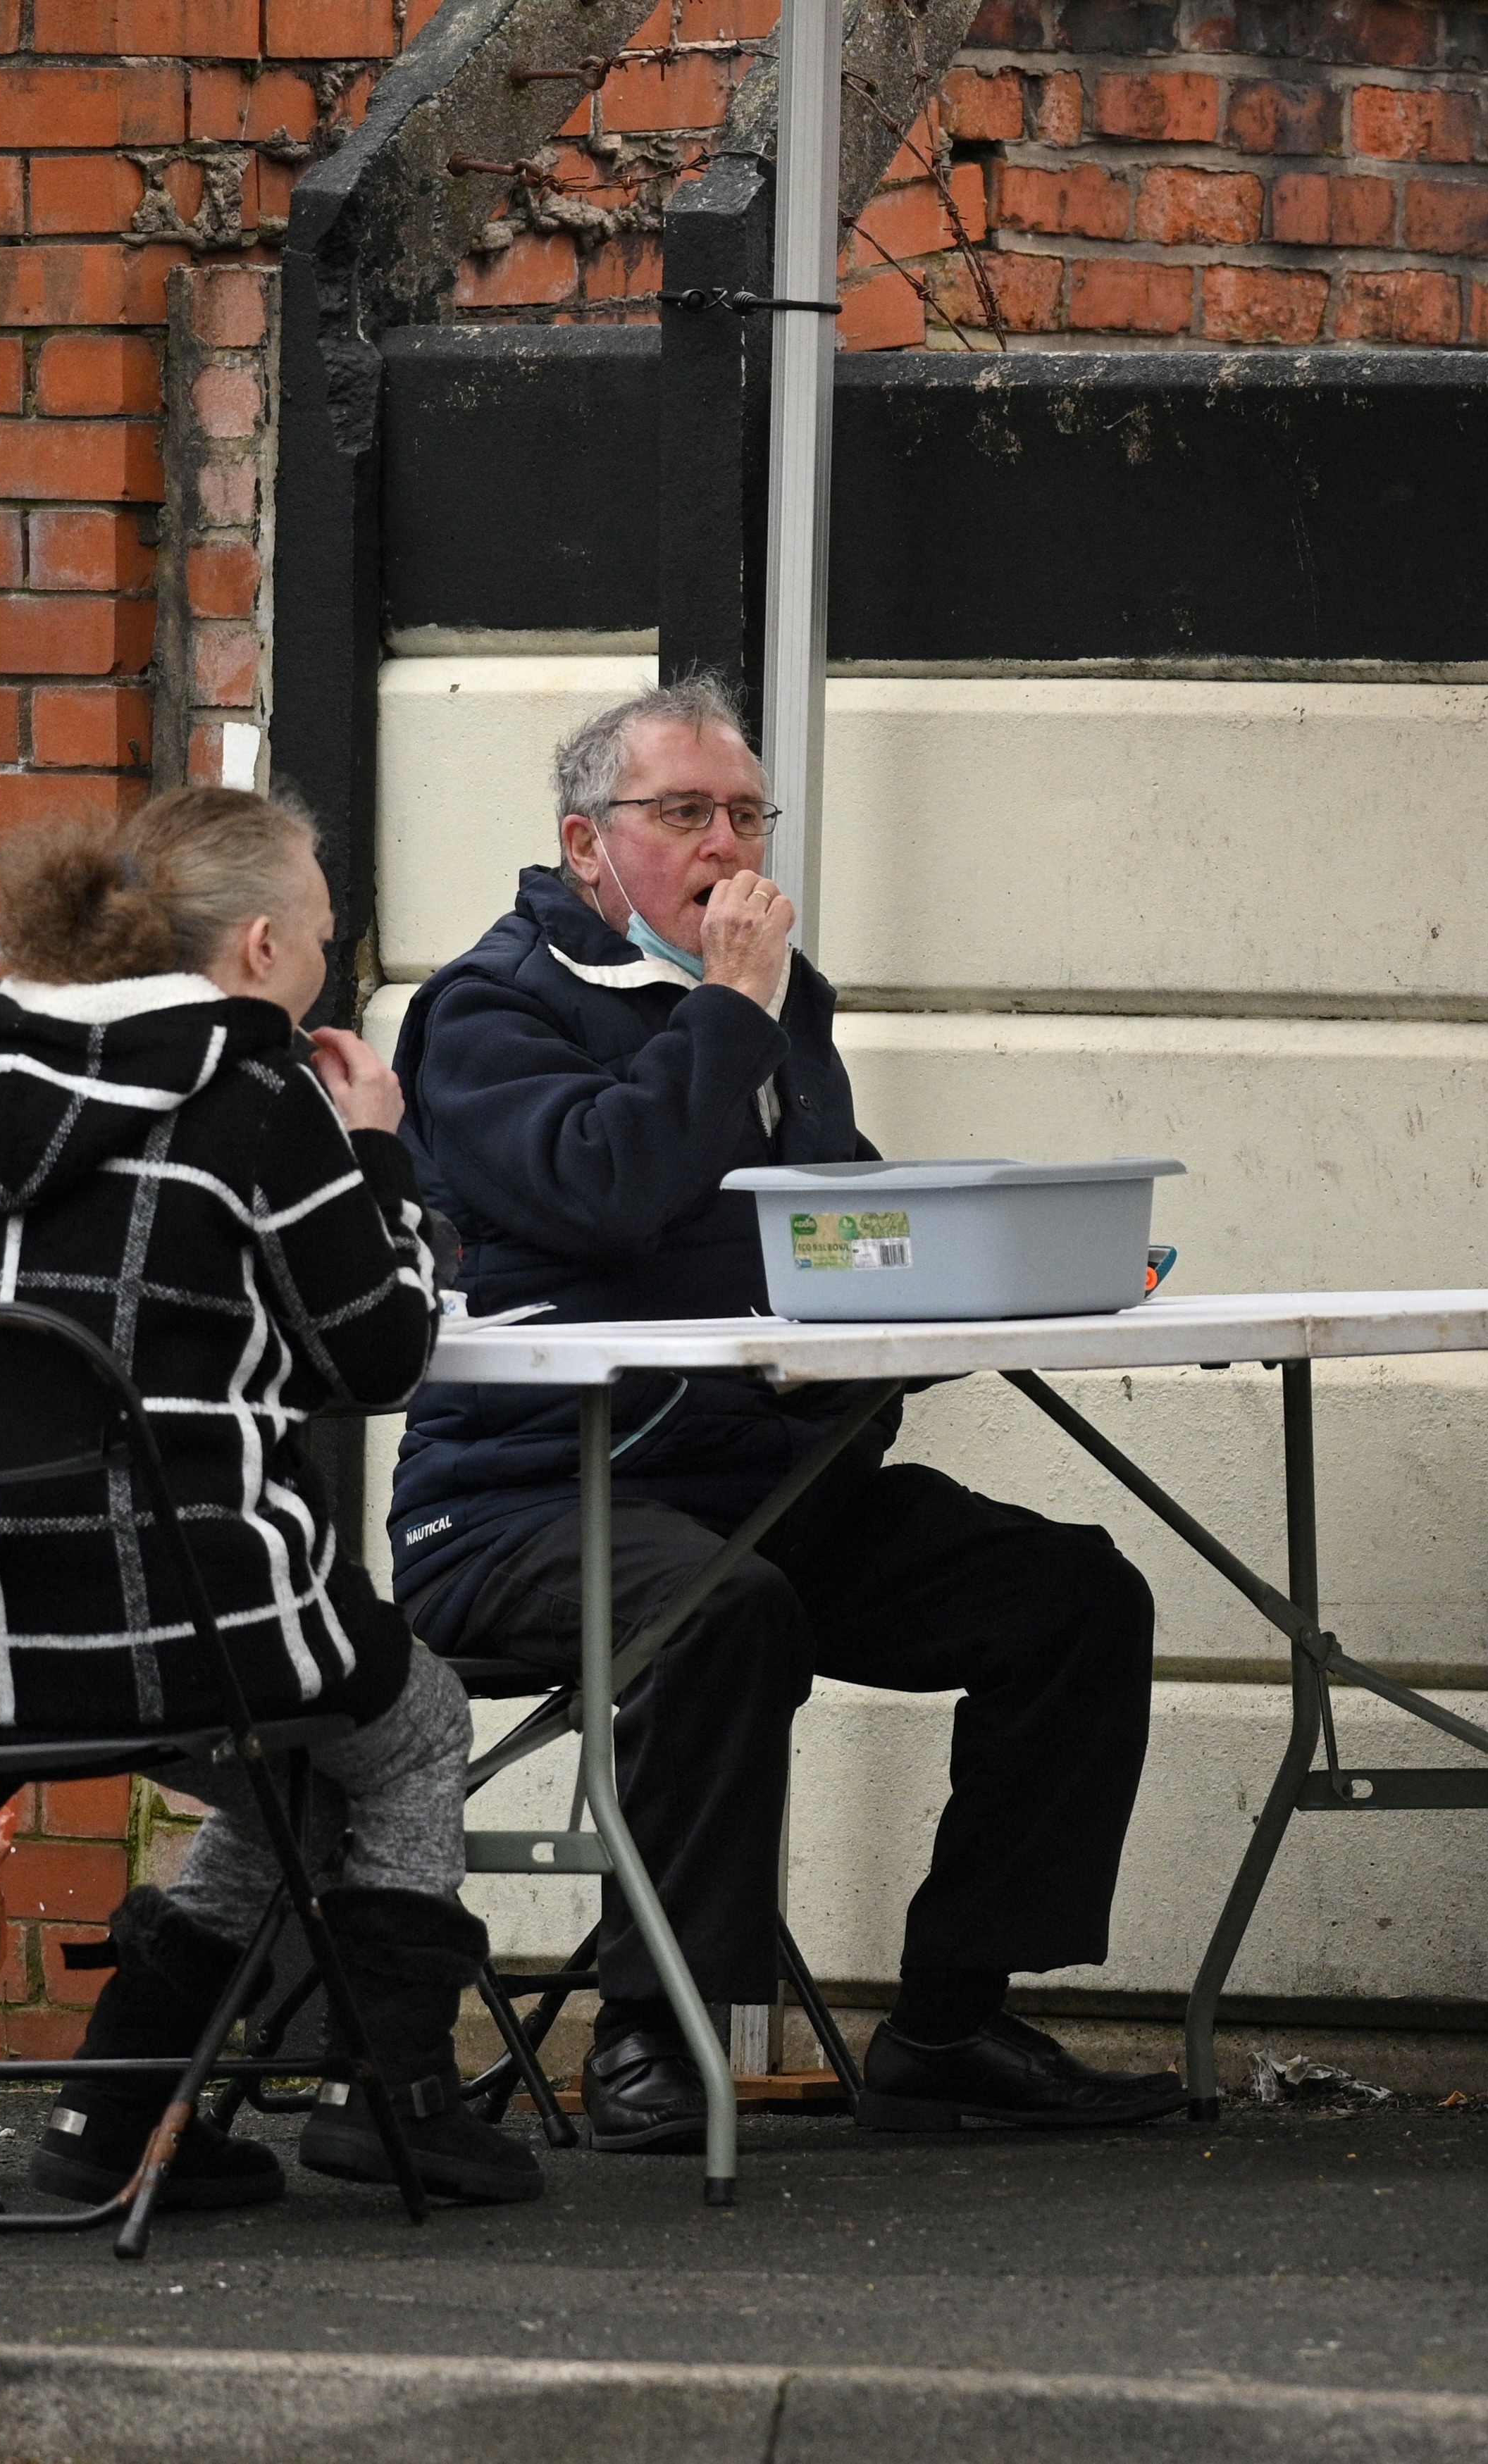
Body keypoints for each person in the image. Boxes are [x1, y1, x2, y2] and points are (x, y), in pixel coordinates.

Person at [386, 676, 1177, 2151]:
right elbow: (601, 1190)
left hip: (762, 1473)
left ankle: (948, 2019)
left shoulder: (777, 1006)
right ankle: (656, 2035)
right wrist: (732, 1011)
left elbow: (837, 1224)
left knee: (1070, 1594)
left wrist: (1001, 1274)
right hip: (531, 1498)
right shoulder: (488, 1010)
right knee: (718, 1613)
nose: (726, 843)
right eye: (683, 813)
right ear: (584, 845)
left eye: (747, 813)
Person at [0, 786, 539, 2210]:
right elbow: (377, 1355)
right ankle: (398, 2094)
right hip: (180, 1616)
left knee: (287, 1776)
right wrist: (374, 1152)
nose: (326, 953)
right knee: (415, 1716)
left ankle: (105, 2133)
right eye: (320, 930)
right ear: (257, 949)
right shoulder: (253, 1093)